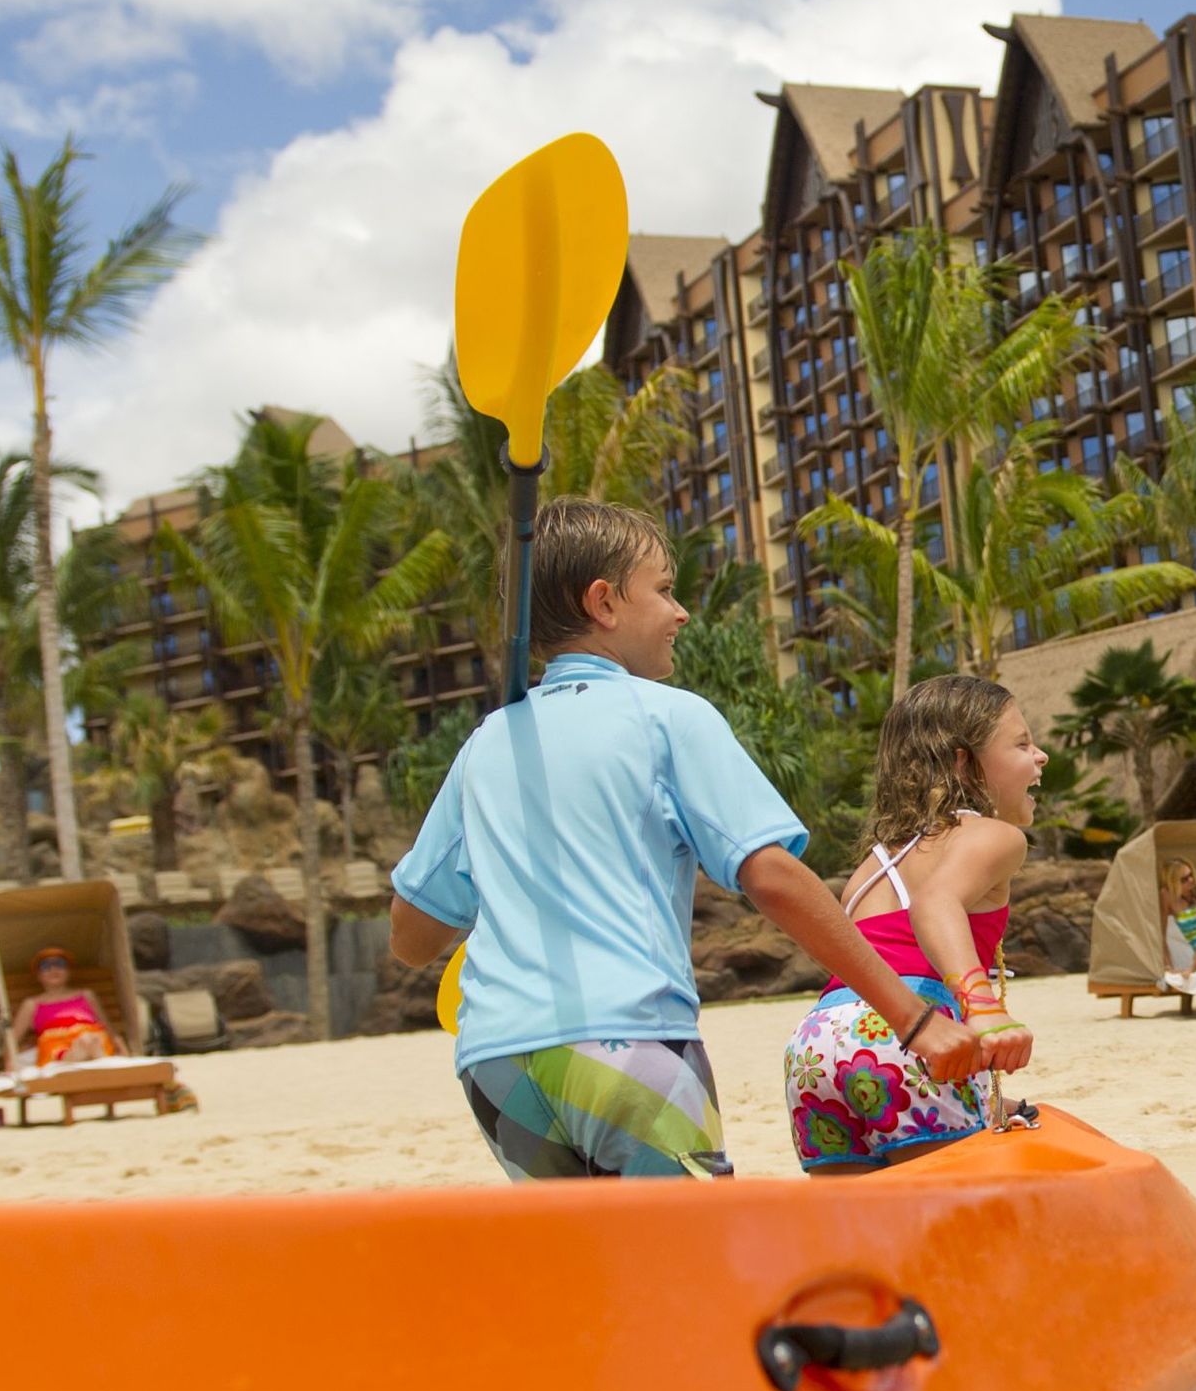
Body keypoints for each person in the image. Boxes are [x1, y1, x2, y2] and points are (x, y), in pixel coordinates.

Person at [388, 499, 1009, 1181]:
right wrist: (911, 1019)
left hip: (497, 1063)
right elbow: (771, 877)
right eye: (663, 590)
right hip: (626, 1043)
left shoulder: (485, 745)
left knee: (585, 1250)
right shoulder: (665, 718)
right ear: (603, 602)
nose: (681, 613)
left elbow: (412, 938)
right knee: (688, 1245)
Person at [786, 675, 1047, 1172]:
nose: (1041, 756)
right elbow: (935, 904)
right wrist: (982, 1006)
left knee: (858, 1218)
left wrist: (977, 1102)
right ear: (962, 761)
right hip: (911, 1033)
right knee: (949, 1214)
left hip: (817, 1045)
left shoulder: (873, 865)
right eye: (1021, 743)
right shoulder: (994, 836)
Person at [12, 946, 126, 1067]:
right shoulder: (32, 1004)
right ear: (38, 975)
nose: (53, 969)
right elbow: (11, 1041)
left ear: (69, 971)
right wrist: (11, 1063)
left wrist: (123, 1050)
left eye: (60, 964)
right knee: (85, 1043)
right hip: (56, 1050)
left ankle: (101, 1068)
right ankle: (105, 1069)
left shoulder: (86, 995)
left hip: (94, 1041)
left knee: (89, 1040)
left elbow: (107, 1027)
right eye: (45, 966)